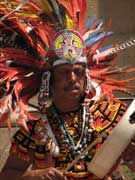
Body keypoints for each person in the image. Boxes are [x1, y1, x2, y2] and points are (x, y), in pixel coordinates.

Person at [0, 0, 135, 180]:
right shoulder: (33, 130)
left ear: (86, 77)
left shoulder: (111, 116)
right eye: (64, 73)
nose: (72, 79)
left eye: (77, 72)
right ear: (49, 79)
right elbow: (8, 175)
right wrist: (34, 175)